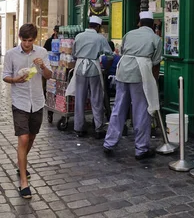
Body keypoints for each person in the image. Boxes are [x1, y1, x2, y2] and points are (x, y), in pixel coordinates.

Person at [103, 11, 162, 160]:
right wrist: (153, 82)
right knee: (141, 111)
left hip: (123, 72)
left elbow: (122, 52)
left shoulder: (129, 34)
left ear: (139, 23)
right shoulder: (156, 38)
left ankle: (109, 142)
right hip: (140, 74)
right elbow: (156, 63)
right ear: (153, 25)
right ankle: (141, 148)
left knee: (118, 107)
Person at [3, 24, 52, 199]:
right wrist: (15, 79)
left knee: (31, 137)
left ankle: (20, 163)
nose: (27, 44)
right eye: (24, 40)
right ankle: (24, 182)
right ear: (19, 38)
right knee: (23, 138)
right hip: (20, 102)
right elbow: (5, 76)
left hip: (37, 101)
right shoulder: (11, 54)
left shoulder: (42, 52)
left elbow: (49, 76)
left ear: (35, 39)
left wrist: (42, 67)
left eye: (30, 41)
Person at [66, 16, 112, 138]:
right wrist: (106, 66)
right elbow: (109, 54)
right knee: (96, 99)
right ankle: (98, 128)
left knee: (79, 99)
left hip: (80, 68)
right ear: (98, 27)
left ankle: (79, 128)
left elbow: (74, 54)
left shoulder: (79, 36)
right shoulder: (100, 38)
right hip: (93, 68)